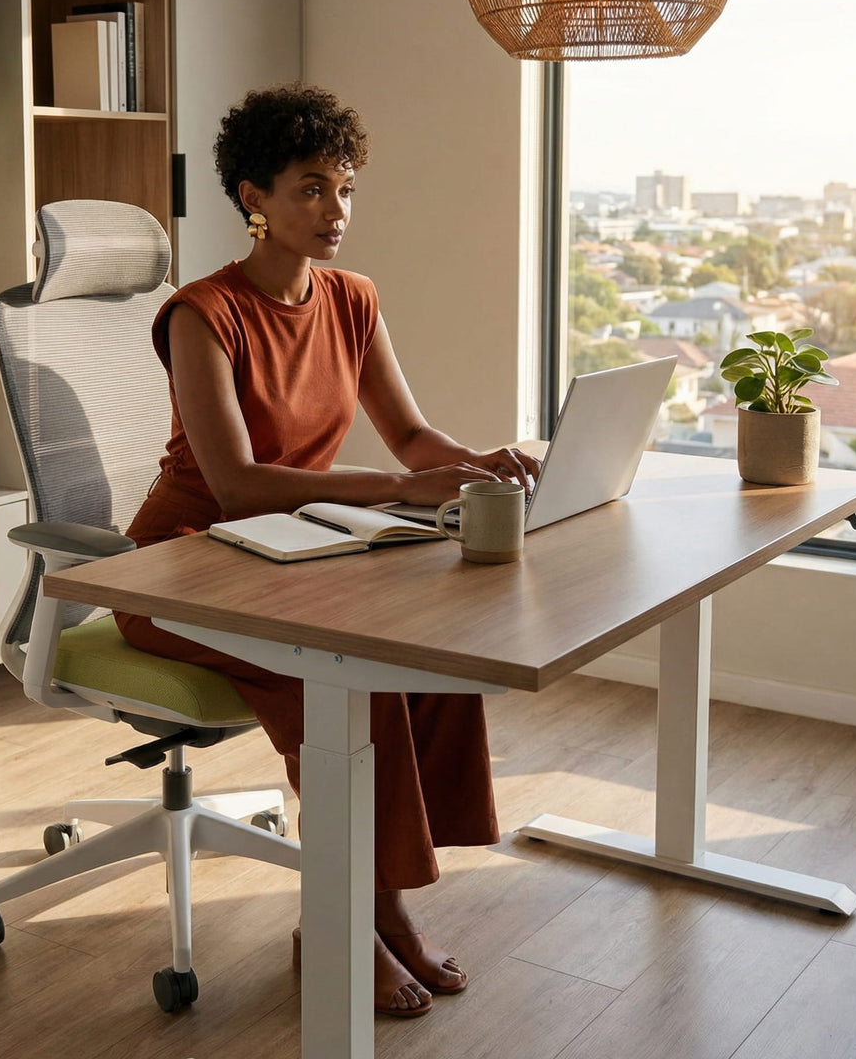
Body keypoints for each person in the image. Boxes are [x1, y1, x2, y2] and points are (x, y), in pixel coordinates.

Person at [116, 84, 539, 1018]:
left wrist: (478, 465)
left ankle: (379, 914)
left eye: (345, 190)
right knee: (348, 680)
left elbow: (412, 436)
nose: (335, 211)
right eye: (311, 189)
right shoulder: (202, 314)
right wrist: (400, 490)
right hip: (183, 569)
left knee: (425, 657)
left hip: (292, 556)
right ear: (251, 196)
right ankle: (341, 923)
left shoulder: (353, 299)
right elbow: (236, 483)